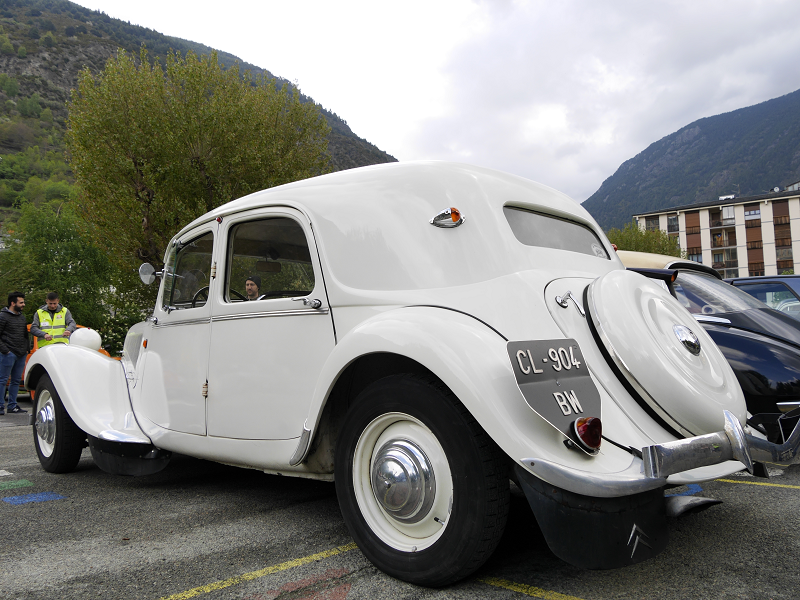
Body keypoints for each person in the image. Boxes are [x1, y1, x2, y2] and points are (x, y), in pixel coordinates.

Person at [0, 291, 29, 415]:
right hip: (8, 354)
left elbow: (24, 334)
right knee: (2, 380)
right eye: (21, 302)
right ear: (13, 303)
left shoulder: (21, 317)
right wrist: (5, 350)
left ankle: (12, 405)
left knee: (16, 381)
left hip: (21, 354)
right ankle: (1, 406)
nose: (23, 304)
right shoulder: (3, 316)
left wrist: (26, 349)